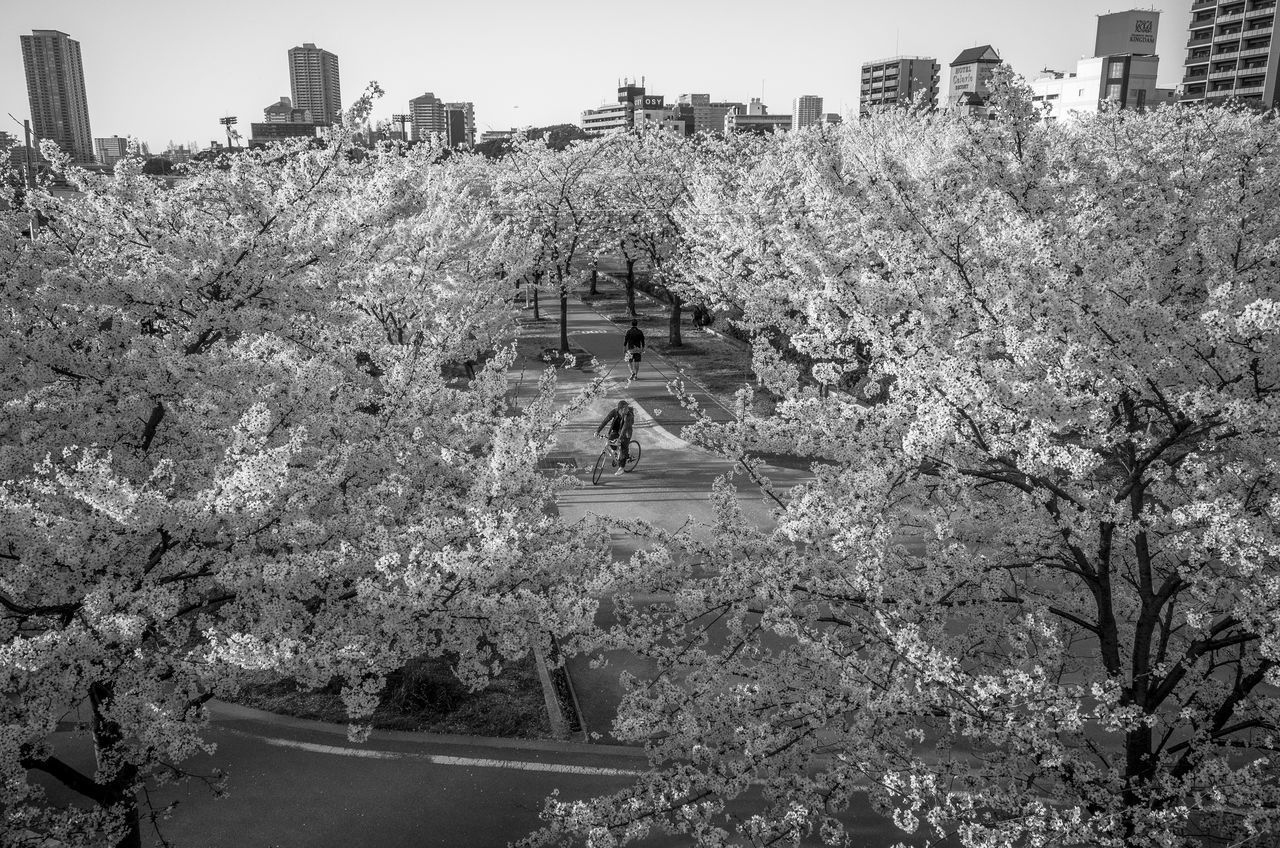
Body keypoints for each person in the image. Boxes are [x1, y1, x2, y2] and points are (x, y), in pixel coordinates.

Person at [595, 400, 634, 476]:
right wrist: (598, 431)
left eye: (627, 408)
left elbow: (624, 428)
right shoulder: (614, 411)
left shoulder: (629, 415)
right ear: (620, 409)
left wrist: (619, 439)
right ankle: (616, 453)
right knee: (610, 440)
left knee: (623, 447)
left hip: (626, 432)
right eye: (626, 408)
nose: (628, 409)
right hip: (616, 429)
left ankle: (621, 468)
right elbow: (606, 420)